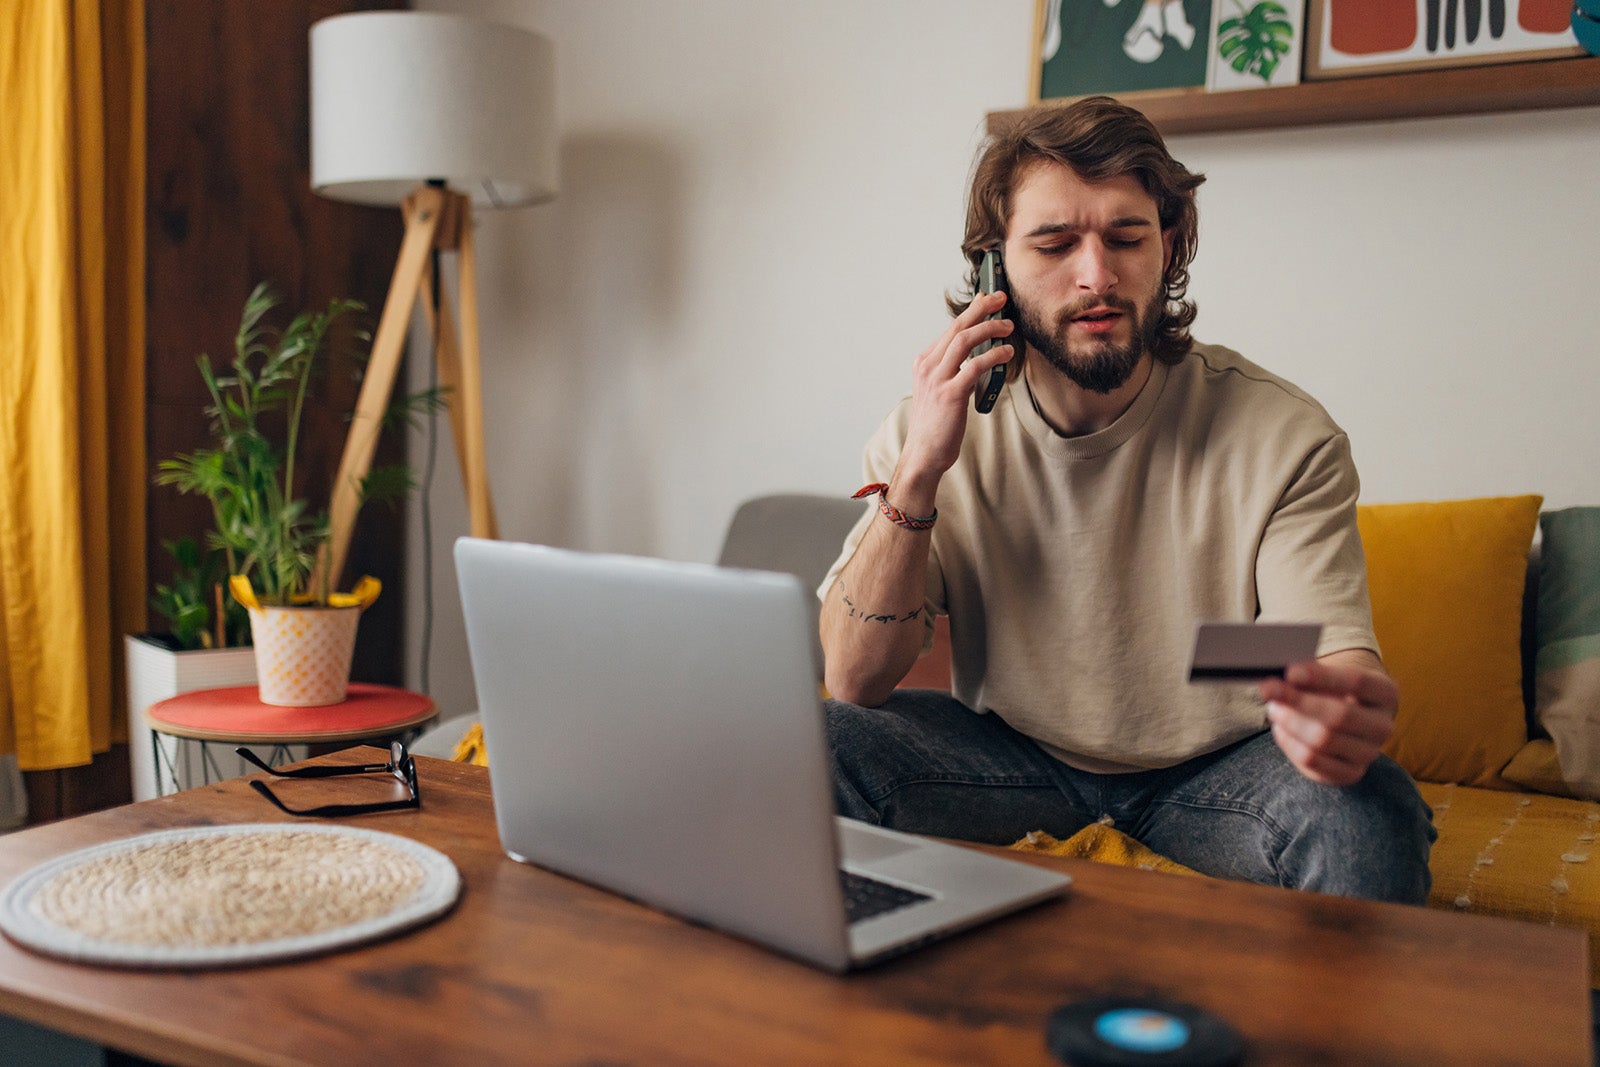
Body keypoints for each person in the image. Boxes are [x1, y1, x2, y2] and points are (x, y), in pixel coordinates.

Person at [817, 96, 1435, 904]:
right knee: (817, 744)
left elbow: (1320, 652)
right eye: (1055, 242)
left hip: (1220, 776)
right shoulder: (931, 432)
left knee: (1369, 804)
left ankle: (1329, 1039)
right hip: (1011, 760)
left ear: (1169, 245)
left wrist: (1337, 705)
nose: (1097, 276)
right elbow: (855, 678)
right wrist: (919, 476)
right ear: (991, 268)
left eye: (1126, 237)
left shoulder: (1283, 435)